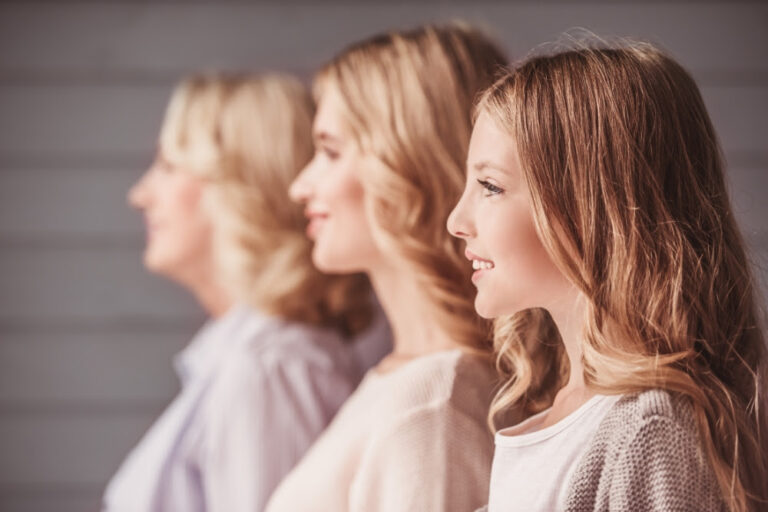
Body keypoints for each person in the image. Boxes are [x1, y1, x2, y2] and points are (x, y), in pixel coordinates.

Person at [448, 41, 768, 512]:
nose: (456, 220)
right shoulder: (567, 411)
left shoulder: (650, 432)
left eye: (490, 186)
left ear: (591, 208)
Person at [102, 73, 386, 512]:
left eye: (168, 165)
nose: (140, 195)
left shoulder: (271, 367)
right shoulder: (247, 358)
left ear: (240, 184)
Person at [265, 23, 509, 512]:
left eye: (330, 152)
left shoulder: (434, 403)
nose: (299, 186)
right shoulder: (411, 382)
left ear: (407, 164)